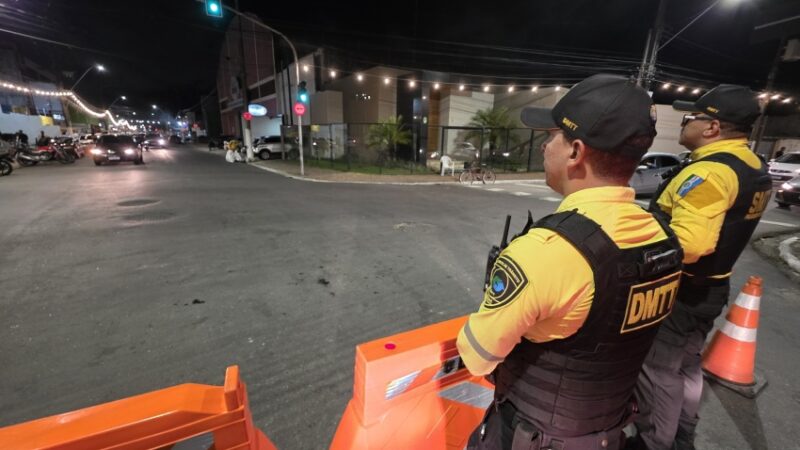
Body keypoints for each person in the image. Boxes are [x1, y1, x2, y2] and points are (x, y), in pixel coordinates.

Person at [456, 74, 684, 450]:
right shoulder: (663, 239)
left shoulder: (548, 251)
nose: (545, 145)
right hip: (609, 432)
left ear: (576, 152)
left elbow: (478, 356)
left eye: (552, 136)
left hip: (534, 436)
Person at [630, 85, 772, 450]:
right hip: (712, 287)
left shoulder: (711, 173)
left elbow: (691, 245)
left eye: (691, 117)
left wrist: (636, 250)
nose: (684, 123)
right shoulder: (753, 166)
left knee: (658, 370)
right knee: (687, 365)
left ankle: (655, 442)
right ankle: (682, 435)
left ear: (713, 127)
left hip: (681, 292)